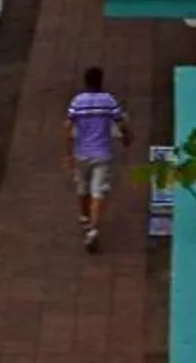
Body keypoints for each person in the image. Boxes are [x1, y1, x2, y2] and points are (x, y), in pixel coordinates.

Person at [66, 65, 131, 252]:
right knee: (98, 192)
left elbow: (67, 127)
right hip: (103, 153)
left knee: (82, 187)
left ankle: (85, 217)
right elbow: (120, 122)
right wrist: (127, 137)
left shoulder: (78, 101)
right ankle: (93, 229)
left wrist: (68, 153)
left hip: (81, 153)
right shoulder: (109, 101)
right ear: (101, 81)